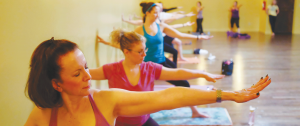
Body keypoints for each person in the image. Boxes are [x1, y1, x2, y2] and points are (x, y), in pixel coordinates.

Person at [24, 37, 271, 126]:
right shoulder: (42, 116)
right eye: (77, 73)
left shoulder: (105, 100)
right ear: (56, 84)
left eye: (87, 67)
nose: (89, 76)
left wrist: (227, 95)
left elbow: (166, 97)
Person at [93, 29, 223, 126]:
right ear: (126, 52)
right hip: (120, 123)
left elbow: (177, 73)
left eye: (145, 49)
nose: (144, 54)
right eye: (140, 51)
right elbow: (86, 74)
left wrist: (202, 73)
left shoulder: (149, 68)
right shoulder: (111, 69)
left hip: (144, 121)